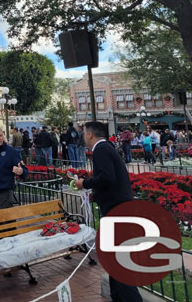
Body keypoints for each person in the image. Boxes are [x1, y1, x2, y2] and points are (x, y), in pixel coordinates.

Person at [73, 121, 141, 302]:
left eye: (84, 133)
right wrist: (96, 191)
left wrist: (84, 183)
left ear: (89, 134)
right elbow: (109, 178)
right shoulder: (107, 147)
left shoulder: (101, 149)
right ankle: (117, 297)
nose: (83, 136)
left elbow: (106, 177)